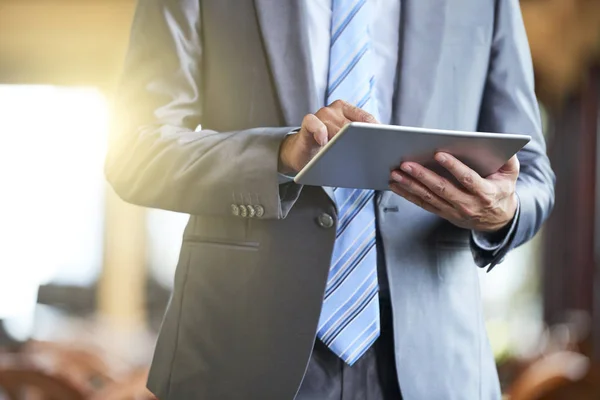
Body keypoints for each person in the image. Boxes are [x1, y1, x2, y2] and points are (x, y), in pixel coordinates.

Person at [105, 0, 555, 399]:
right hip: (240, 350)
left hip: (436, 362)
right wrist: (278, 154)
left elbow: (533, 174)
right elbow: (135, 150)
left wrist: (503, 211)